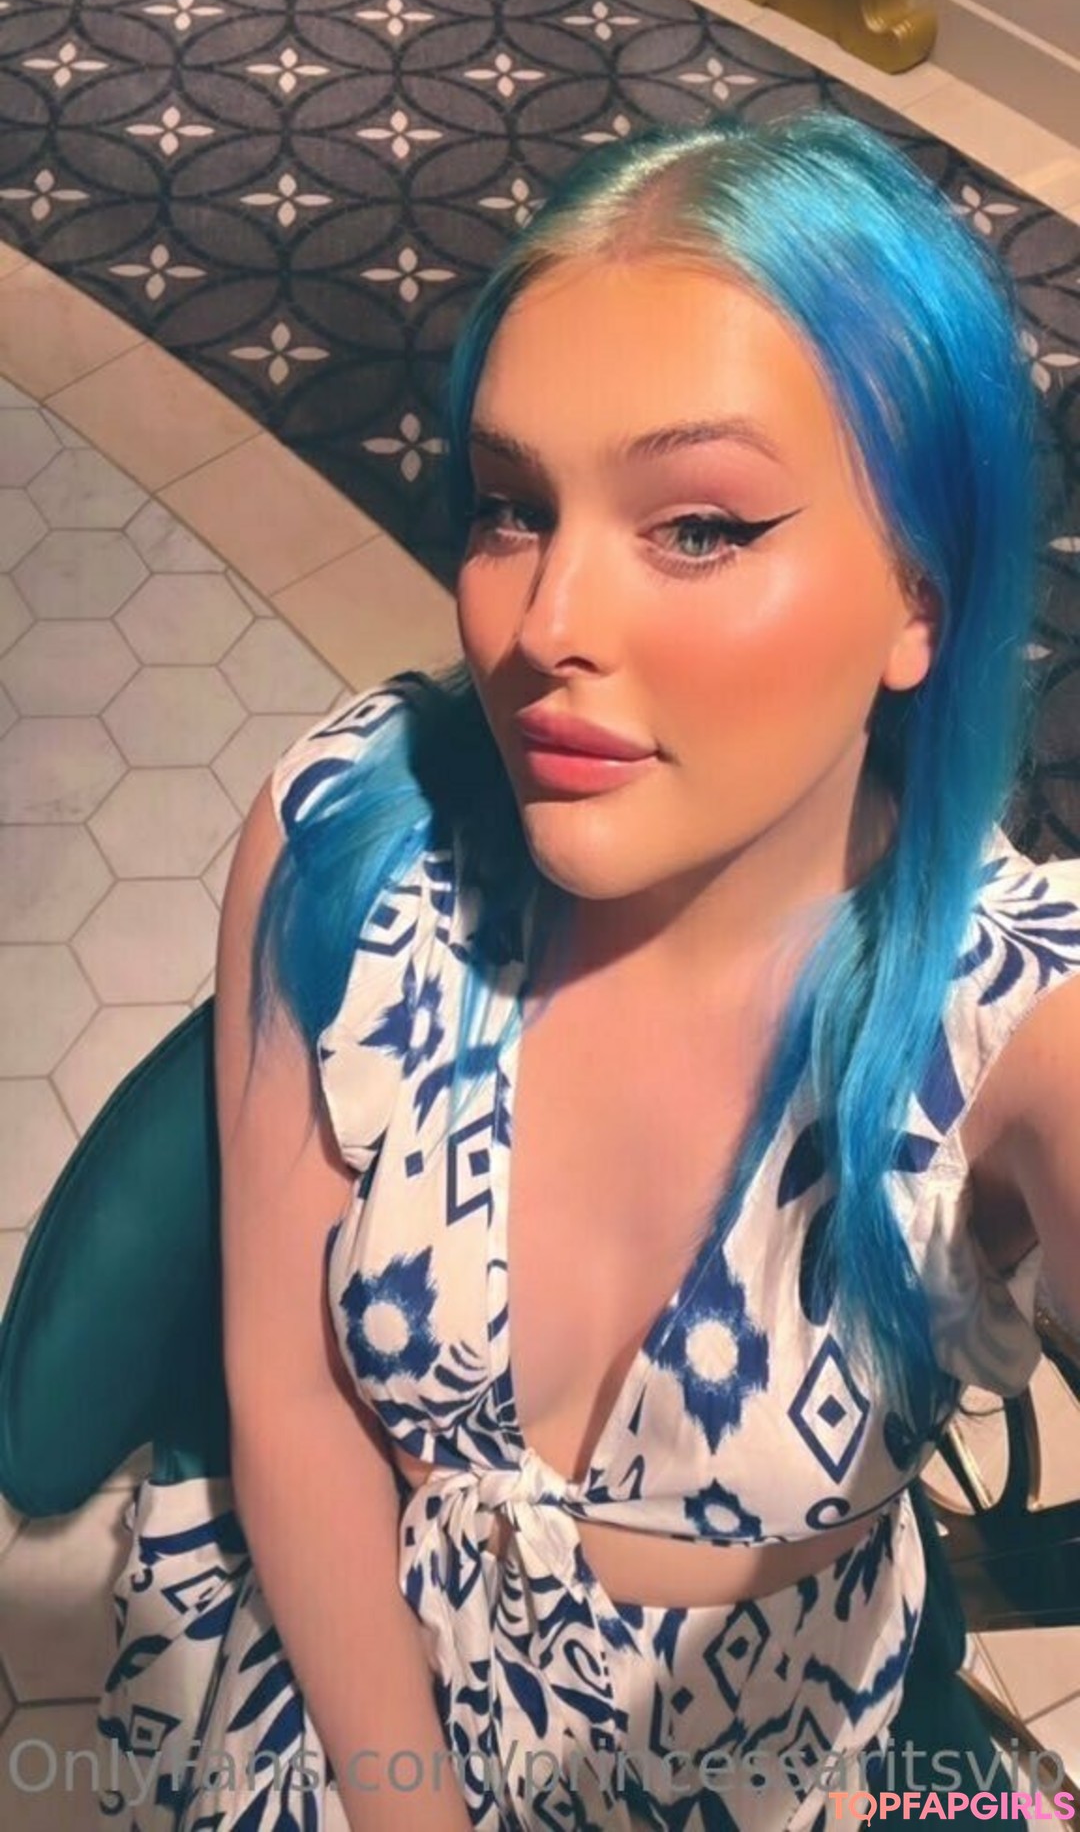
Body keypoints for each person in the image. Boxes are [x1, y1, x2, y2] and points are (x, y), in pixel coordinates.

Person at [97, 110, 1080, 1832]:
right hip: (356, 1698)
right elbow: (297, 1400)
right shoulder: (355, 840)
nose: (545, 621)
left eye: (697, 526)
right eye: (510, 506)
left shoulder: (1005, 1023)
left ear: (920, 594)